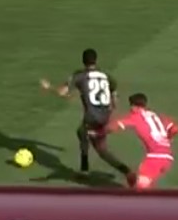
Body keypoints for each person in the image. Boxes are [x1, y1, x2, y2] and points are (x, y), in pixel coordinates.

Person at [40, 48, 134, 184]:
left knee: (97, 146)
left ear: (83, 61)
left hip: (92, 117)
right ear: (96, 60)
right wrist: (112, 107)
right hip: (105, 116)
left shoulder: (80, 76)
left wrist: (49, 87)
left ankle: (87, 171)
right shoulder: (106, 75)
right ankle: (125, 171)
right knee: (85, 135)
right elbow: (114, 92)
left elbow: (63, 92)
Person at [108, 92, 178, 190]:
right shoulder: (156, 115)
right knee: (136, 180)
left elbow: (114, 126)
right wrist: (169, 138)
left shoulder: (135, 116)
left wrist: (98, 132)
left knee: (141, 186)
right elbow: (175, 128)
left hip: (155, 158)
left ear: (133, 106)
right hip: (168, 157)